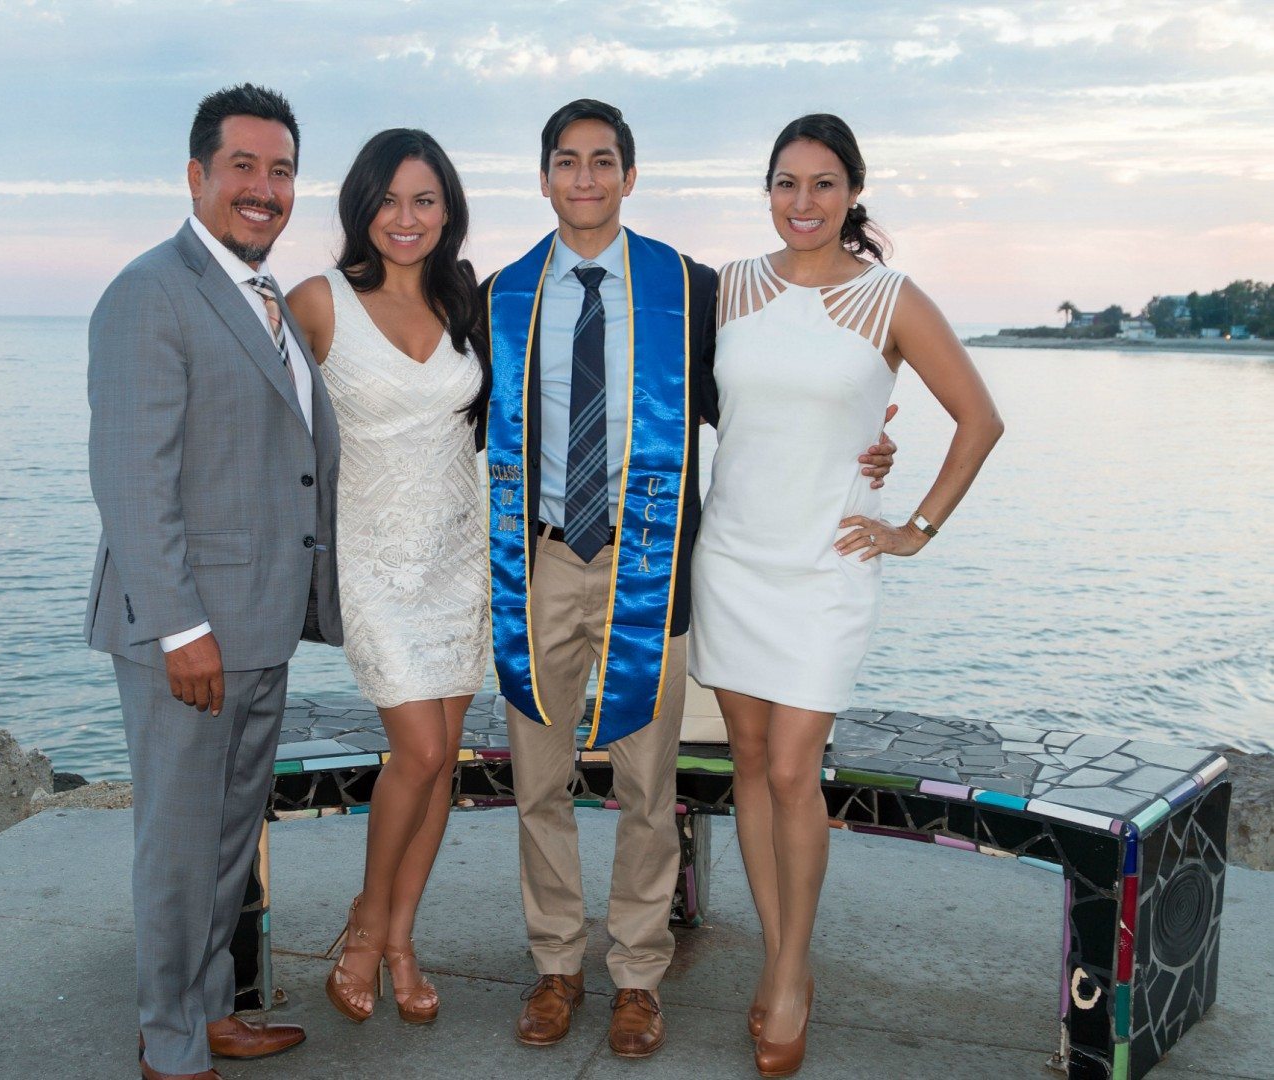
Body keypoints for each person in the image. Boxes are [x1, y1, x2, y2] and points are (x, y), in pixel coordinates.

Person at [482, 99, 898, 1060]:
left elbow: (782, 384)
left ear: (631, 176)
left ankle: (636, 977)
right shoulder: (501, 295)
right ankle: (555, 965)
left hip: (649, 560)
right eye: (566, 162)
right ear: (543, 178)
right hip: (538, 559)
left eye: (603, 162)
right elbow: (453, 415)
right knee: (538, 781)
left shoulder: (691, 289)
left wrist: (866, 440)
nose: (584, 179)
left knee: (646, 782)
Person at [689, 113, 1003, 1077]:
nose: (803, 202)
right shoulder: (727, 289)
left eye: (823, 184)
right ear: (767, 190)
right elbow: (701, 405)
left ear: (854, 193)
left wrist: (915, 527)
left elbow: (981, 421)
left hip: (827, 566)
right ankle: (780, 958)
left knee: (794, 770)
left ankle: (788, 971)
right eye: (786, 183)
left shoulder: (891, 299)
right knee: (746, 761)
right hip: (732, 557)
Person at [84, 84, 342, 1080]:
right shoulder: (151, 292)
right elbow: (132, 478)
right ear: (196, 175)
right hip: (189, 637)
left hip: (263, 626)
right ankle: (169, 1039)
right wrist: (181, 627)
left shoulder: (266, 298)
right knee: (181, 846)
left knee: (230, 839)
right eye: (243, 166)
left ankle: (210, 1009)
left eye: (280, 171)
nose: (263, 189)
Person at [285, 128, 490, 1026]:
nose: (406, 220)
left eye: (425, 201)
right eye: (389, 200)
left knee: (445, 761)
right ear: (360, 206)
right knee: (420, 750)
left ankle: (402, 936)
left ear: (448, 210)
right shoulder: (317, 303)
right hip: (371, 560)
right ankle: (367, 930)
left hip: (461, 555)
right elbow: (251, 417)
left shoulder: (467, 302)